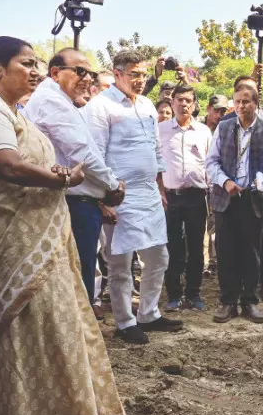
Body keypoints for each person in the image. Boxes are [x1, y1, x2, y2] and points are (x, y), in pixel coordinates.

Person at [0, 36, 133, 415]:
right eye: (25, 63)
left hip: (35, 233)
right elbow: (8, 166)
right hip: (4, 237)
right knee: (20, 325)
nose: (34, 71)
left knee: (52, 322)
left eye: (36, 63)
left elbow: (28, 161)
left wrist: (55, 173)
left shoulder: (15, 111)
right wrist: (62, 180)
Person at [87, 50, 183, 344]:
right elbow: (94, 154)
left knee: (159, 256)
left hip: (149, 193)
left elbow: (155, 150)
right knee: (120, 263)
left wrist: (161, 187)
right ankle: (125, 322)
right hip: (119, 195)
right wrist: (103, 200)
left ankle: (149, 313)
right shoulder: (100, 107)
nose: (140, 81)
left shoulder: (147, 106)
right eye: (134, 75)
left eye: (143, 74)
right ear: (116, 74)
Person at [24, 48, 126, 321]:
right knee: (76, 279)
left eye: (90, 73)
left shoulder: (58, 100)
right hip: (74, 203)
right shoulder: (52, 101)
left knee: (74, 277)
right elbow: (82, 153)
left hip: (77, 201)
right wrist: (113, 184)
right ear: (56, 73)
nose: (87, 78)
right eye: (80, 71)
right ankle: (77, 345)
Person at [207, 82, 263, 324]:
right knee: (226, 251)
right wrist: (225, 182)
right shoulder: (224, 126)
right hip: (227, 198)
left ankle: (249, 302)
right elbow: (211, 162)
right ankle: (228, 301)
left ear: (256, 103)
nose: (241, 106)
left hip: (256, 199)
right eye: (238, 102)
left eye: (246, 102)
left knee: (252, 253)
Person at [159, 85, 211, 310]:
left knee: (196, 248)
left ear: (195, 103)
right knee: (172, 247)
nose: (184, 104)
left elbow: (210, 164)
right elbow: (154, 164)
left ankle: (194, 293)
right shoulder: (159, 130)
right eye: (179, 99)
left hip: (196, 197)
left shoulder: (203, 132)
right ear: (172, 103)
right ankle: (173, 295)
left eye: (188, 100)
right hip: (170, 197)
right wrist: (159, 191)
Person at [202, 94, 227, 276]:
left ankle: (213, 262)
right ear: (208, 108)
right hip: (196, 184)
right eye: (217, 110)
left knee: (215, 225)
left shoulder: (225, 130)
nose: (219, 114)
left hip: (216, 185)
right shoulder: (197, 128)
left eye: (223, 111)